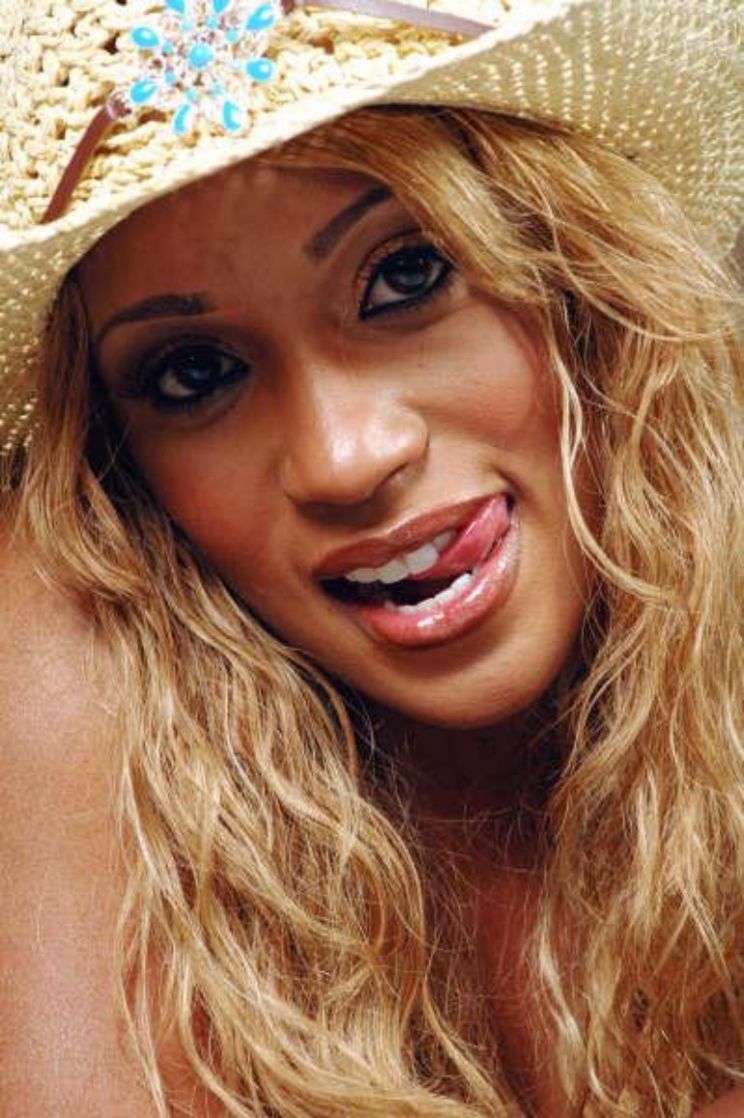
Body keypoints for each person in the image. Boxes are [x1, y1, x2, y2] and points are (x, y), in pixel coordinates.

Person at [0, 1, 741, 1115]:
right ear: (119, 464)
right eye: (195, 374)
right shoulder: (74, 652)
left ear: (586, 273)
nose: (345, 458)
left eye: (405, 277)